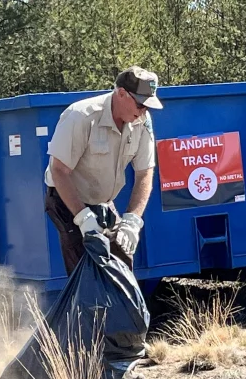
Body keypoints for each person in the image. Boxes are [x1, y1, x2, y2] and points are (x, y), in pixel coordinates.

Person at [43, 66, 162, 274]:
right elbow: (58, 170)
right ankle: (86, 307)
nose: (144, 111)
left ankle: (121, 307)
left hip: (103, 202)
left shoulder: (143, 122)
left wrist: (132, 220)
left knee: (121, 260)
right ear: (122, 93)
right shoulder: (81, 116)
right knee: (86, 268)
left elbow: (144, 173)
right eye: (141, 104)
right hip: (67, 200)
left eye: (148, 106)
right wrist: (83, 217)